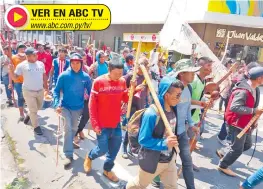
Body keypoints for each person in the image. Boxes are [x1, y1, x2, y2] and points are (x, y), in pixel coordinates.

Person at [125, 77, 184, 189]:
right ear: (166, 95)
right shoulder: (152, 114)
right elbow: (143, 140)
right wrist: (165, 143)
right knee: (138, 185)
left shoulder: (173, 110)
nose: (179, 99)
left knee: (172, 186)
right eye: (177, 95)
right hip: (154, 160)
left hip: (169, 159)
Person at [83, 53, 129, 183]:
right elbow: (91, 105)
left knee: (114, 149)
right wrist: (95, 124)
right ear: (109, 70)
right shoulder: (98, 82)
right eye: (116, 74)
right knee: (102, 149)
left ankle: (107, 170)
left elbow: (125, 98)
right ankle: (90, 156)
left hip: (116, 123)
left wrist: (132, 91)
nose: (119, 77)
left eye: (121, 74)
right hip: (102, 124)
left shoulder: (122, 81)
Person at [161, 59, 200, 189]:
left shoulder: (188, 87)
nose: (194, 74)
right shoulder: (170, 88)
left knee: (187, 161)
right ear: (182, 73)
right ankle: (155, 177)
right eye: (191, 72)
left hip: (182, 131)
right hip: (168, 132)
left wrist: (192, 123)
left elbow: (187, 108)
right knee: (162, 160)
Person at [218, 67, 263, 177]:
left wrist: (254, 120)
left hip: (245, 123)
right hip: (236, 124)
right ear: (259, 78)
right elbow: (235, 107)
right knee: (237, 149)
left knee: (247, 145)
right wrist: (253, 111)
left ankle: (224, 152)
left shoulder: (255, 89)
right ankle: (223, 165)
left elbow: (253, 105)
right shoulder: (243, 91)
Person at [53, 53, 92, 167]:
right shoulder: (64, 75)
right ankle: (68, 154)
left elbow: (91, 93)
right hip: (65, 107)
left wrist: (92, 103)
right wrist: (56, 104)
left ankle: (69, 143)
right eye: (73, 63)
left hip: (78, 108)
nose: (75, 65)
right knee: (68, 129)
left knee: (74, 129)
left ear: (81, 63)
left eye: (78, 63)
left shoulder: (85, 77)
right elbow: (56, 91)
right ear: (70, 63)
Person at [9, 47, 48, 135]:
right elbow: (15, 78)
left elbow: (44, 75)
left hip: (40, 90)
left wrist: (46, 88)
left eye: (36, 54)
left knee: (38, 107)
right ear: (28, 56)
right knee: (34, 109)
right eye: (34, 54)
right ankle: (36, 127)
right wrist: (11, 71)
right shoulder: (22, 65)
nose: (36, 56)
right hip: (28, 91)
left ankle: (29, 115)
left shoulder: (40, 64)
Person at [121, 57, 150, 159]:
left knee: (137, 129)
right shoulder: (130, 75)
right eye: (143, 67)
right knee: (130, 128)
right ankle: (124, 148)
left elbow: (147, 89)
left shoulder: (147, 76)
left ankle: (132, 147)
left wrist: (148, 97)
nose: (144, 69)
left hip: (141, 105)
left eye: (146, 67)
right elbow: (123, 89)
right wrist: (133, 88)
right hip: (131, 105)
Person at [74, 51, 90, 145]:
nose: (83, 61)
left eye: (84, 59)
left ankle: (80, 130)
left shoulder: (87, 69)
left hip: (85, 97)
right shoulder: (71, 70)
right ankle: (74, 134)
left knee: (86, 115)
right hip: (75, 98)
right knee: (75, 117)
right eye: (82, 59)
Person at [9, 43, 27, 121]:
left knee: (26, 97)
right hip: (17, 81)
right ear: (18, 49)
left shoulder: (28, 57)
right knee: (20, 97)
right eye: (21, 48)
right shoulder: (13, 58)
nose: (23, 49)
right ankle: (21, 114)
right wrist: (10, 83)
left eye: (24, 48)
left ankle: (26, 109)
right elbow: (10, 71)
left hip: (27, 81)